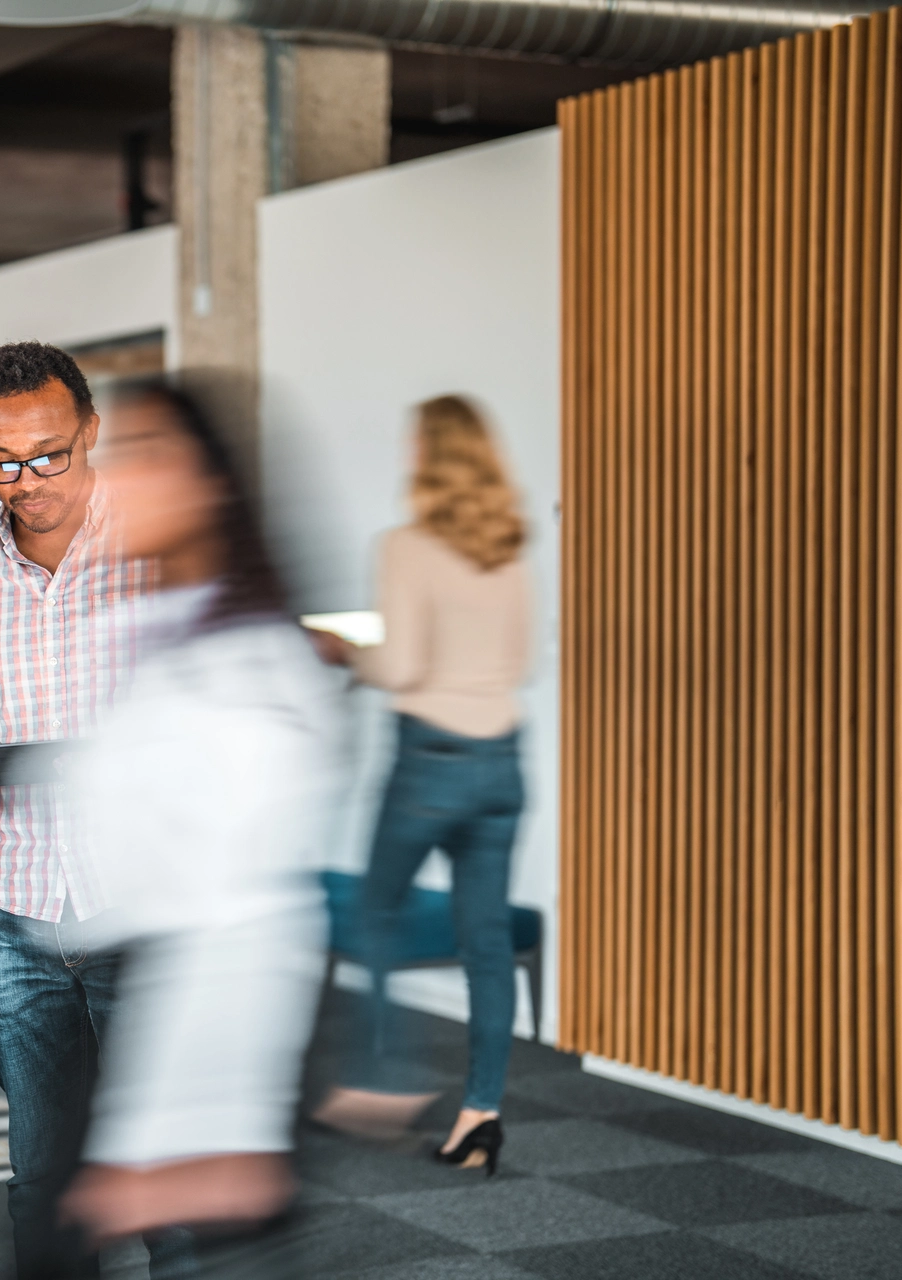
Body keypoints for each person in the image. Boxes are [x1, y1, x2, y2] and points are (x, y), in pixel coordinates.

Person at [59, 382, 340, 1270]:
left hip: (214, 1076)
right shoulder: (152, 630)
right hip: (146, 1028)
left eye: (146, 455)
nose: (114, 483)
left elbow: (240, 918)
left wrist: (184, 1138)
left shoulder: (253, 664)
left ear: (210, 483)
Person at [0, 341, 154, 1278]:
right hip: (13, 909)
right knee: (44, 1175)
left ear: (92, 431)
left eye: (48, 454)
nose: (24, 481)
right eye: (0, 460)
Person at [309, 393, 533, 1174]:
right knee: (487, 945)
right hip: (503, 764)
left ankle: (378, 1084)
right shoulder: (508, 547)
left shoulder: (404, 545)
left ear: (431, 454)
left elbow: (400, 666)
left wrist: (342, 649)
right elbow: (522, 662)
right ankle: (480, 1115)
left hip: (430, 762)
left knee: (373, 913)